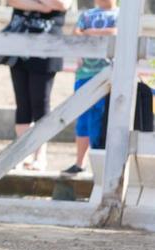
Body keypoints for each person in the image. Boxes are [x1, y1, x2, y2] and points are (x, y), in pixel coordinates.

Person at [8, 0, 72, 171]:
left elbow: (62, 4)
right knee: (22, 103)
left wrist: (32, 3)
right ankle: (22, 153)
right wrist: (42, 6)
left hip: (47, 48)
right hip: (19, 45)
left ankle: (40, 155)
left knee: (40, 102)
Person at [63, 0, 118, 175]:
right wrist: (91, 33)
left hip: (109, 75)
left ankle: (99, 166)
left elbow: (116, 32)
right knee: (83, 120)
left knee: (101, 120)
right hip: (84, 74)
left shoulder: (121, 15)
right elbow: (76, 34)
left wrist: (88, 32)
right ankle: (80, 162)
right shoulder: (86, 14)